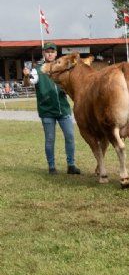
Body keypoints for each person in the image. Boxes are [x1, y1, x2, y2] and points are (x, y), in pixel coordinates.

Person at [22, 42, 80, 175]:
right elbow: (27, 83)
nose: (50, 53)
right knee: (50, 139)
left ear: (56, 53)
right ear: (43, 53)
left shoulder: (63, 68)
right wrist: (26, 75)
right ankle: (52, 167)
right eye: (47, 51)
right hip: (47, 110)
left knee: (70, 136)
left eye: (52, 51)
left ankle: (71, 165)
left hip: (63, 109)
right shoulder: (37, 70)